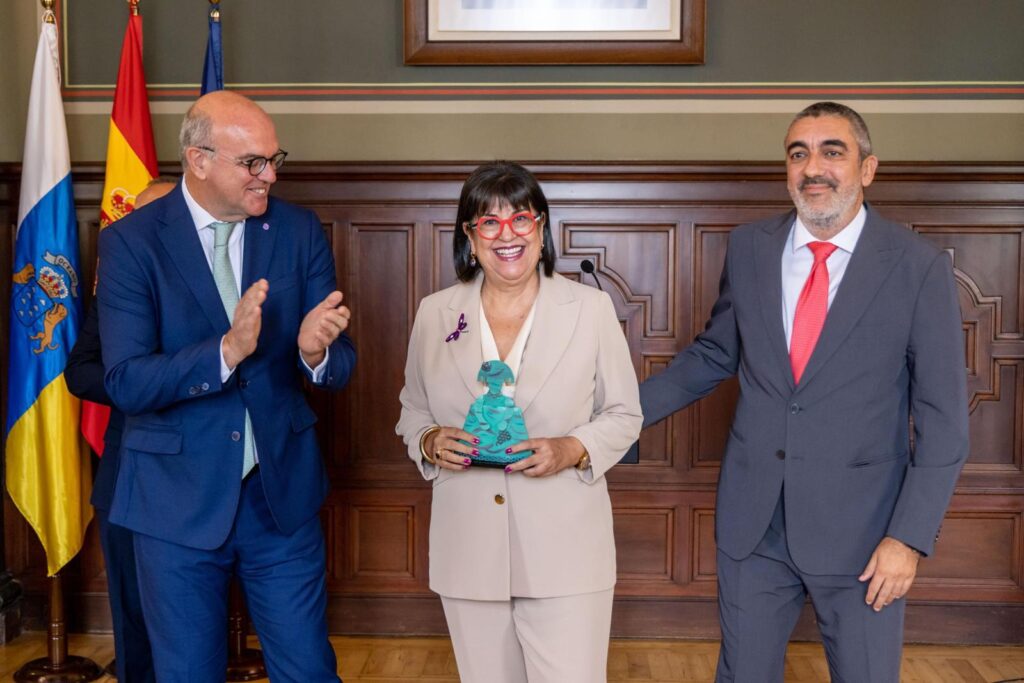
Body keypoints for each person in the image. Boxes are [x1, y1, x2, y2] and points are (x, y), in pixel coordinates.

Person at [639, 101, 969, 682]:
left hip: (867, 535)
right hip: (754, 526)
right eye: (799, 154)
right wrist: (613, 414)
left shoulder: (917, 267)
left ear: (867, 169)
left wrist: (909, 538)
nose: (813, 168)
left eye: (831, 152)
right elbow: (714, 355)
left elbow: (944, 422)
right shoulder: (751, 248)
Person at [96, 91, 355, 683]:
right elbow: (126, 381)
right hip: (174, 504)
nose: (270, 175)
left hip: (279, 498)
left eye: (273, 159)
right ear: (199, 160)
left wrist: (314, 353)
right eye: (252, 162)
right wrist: (225, 352)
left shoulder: (297, 229)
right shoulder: (131, 242)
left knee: (310, 671)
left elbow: (341, 364)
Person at [396, 161, 642, 683]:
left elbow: (625, 414)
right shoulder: (435, 313)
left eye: (520, 219)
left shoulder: (591, 309)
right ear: (469, 236)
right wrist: (429, 439)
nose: (506, 234)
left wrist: (572, 448)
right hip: (467, 549)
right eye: (489, 222)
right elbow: (412, 409)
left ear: (541, 227)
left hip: (566, 551)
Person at [65, 177, 175, 683]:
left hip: (193, 475)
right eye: (137, 218)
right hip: (125, 475)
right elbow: (79, 371)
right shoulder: (117, 285)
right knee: (131, 613)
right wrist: (137, 384)